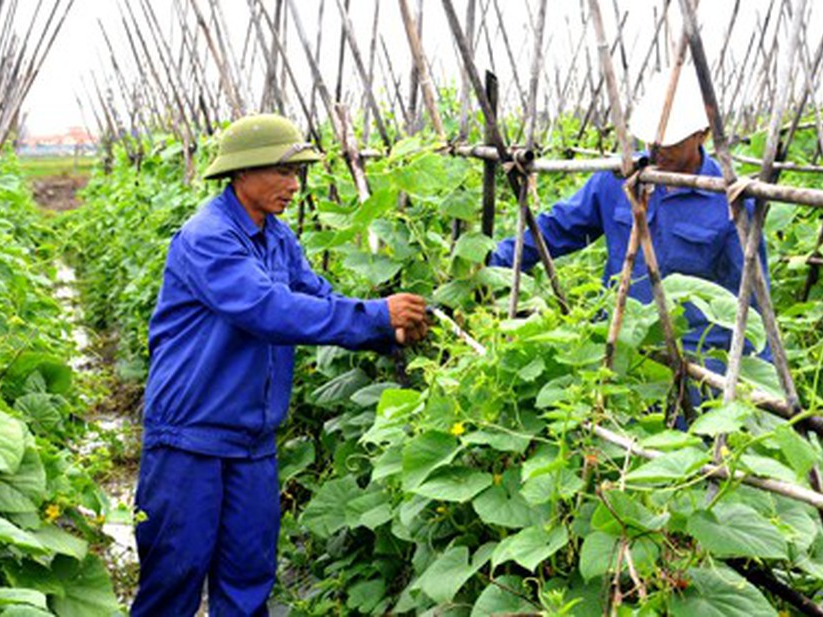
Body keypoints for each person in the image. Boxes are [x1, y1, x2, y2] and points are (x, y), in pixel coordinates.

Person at [131, 114, 429, 616]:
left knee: (248, 584)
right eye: (283, 172)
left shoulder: (276, 237)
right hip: (190, 437)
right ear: (242, 172)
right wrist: (377, 314)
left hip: (252, 440)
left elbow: (316, 298)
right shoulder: (208, 236)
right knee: (173, 582)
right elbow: (268, 309)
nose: (294, 185)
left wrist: (389, 331)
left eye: (297, 174)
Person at [489, 70, 768, 369]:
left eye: (670, 142)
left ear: (703, 133)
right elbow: (558, 228)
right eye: (651, 140)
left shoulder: (732, 205)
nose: (656, 150)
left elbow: (752, 301)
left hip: (693, 359)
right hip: (617, 343)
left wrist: (762, 385)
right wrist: (493, 263)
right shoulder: (617, 178)